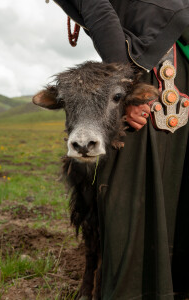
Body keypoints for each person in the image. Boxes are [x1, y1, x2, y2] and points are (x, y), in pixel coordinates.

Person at [52, 0, 189, 299]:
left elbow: (99, 10)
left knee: (130, 189)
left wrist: (128, 90)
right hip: (166, 51)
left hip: (153, 63)